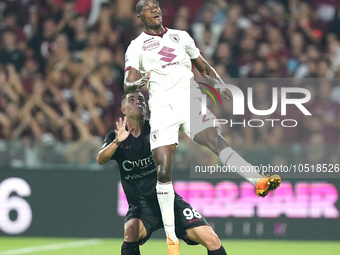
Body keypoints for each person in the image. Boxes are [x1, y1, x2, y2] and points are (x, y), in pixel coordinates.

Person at [123, 1, 281, 254]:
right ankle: (172, 239)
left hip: (190, 101)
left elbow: (203, 65)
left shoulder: (181, 36)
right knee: (163, 171)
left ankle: (258, 181)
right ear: (140, 15)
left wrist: (219, 84)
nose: (155, 9)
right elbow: (127, 84)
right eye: (148, 7)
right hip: (163, 110)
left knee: (218, 142)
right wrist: (142, 79)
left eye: (157, 5)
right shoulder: (136, 46)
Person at [97, 92, 227, 255]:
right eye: (132, 100)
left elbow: (176, 146)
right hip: (141, 207)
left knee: (212, 240)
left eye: (141, 100)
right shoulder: (115, 135)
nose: (138, 102)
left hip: (169, 201)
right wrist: (117, 142)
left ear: (146, 107)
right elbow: (100, 159)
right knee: (131, 231)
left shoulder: (156, 129)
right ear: (123, 109)